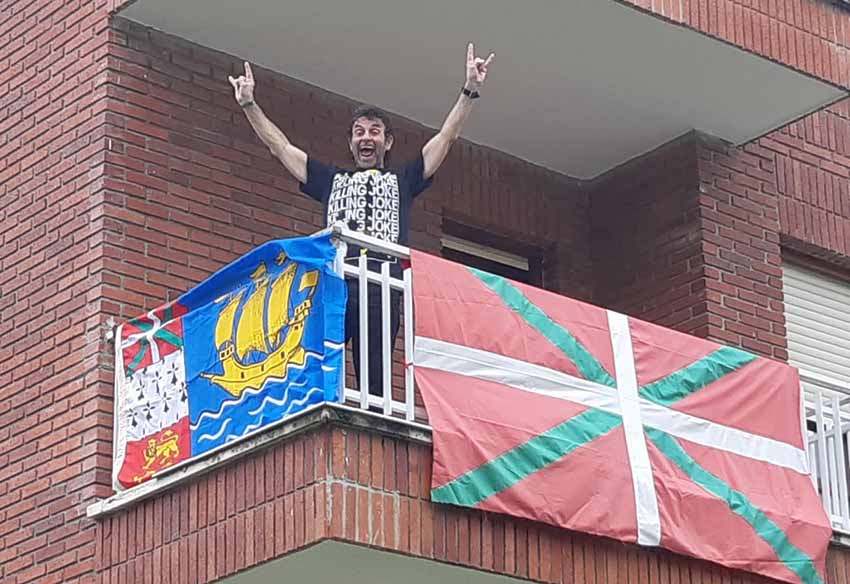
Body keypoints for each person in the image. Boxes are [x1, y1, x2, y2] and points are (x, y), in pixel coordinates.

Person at [229, 44, 494, 397]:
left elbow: (446, 138)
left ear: (387, 142)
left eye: (374, 131)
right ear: (351, 142)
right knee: (326, 369)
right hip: (336, 283)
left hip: (382, 288)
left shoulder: (403, 180)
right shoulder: (331, 179)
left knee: (375, 379)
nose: (365, 137)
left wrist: (469, 91)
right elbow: (281, 148)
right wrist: (249, 105)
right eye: (359, 131)